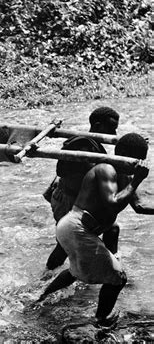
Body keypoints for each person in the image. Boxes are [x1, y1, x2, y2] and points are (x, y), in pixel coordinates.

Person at [37, 133, 153, 327]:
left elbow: (139, 206)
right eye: (136, 158)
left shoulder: (123, 176)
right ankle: (101, 320)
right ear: (123, 154)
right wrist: (136, 181)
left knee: (76, 271)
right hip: (76, 227)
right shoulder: (105, 170)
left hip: (78, 229)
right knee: (118, 278)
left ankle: (39, 300)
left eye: (141, 159)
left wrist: (133, 182)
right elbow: (112, 204)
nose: (139, 163)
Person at [44, 107, 120, 272]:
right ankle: (47, 275)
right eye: (112, 127)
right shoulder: (83, 145)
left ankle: (109, 266)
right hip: (68, 201)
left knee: (112, 229)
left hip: (75, 199)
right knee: (65, 245)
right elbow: (92, 174)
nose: (115, 131)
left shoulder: (91, 143)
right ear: (98, 126)